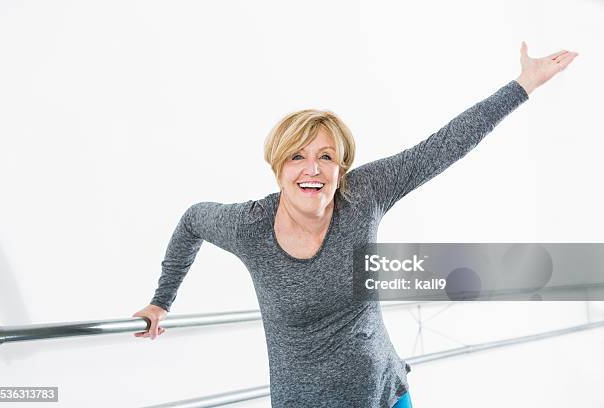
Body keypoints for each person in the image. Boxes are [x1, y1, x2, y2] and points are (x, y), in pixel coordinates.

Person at [132, 42, 578, 407]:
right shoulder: (249, 227)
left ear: (341, 167)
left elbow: (443, 146)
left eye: (325, 157)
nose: (312, 169)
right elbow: (191, 221)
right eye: (297, 156)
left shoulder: (361, 195)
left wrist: (524, 84)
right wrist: (161, 300)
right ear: (277, 166)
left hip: (388, 394)